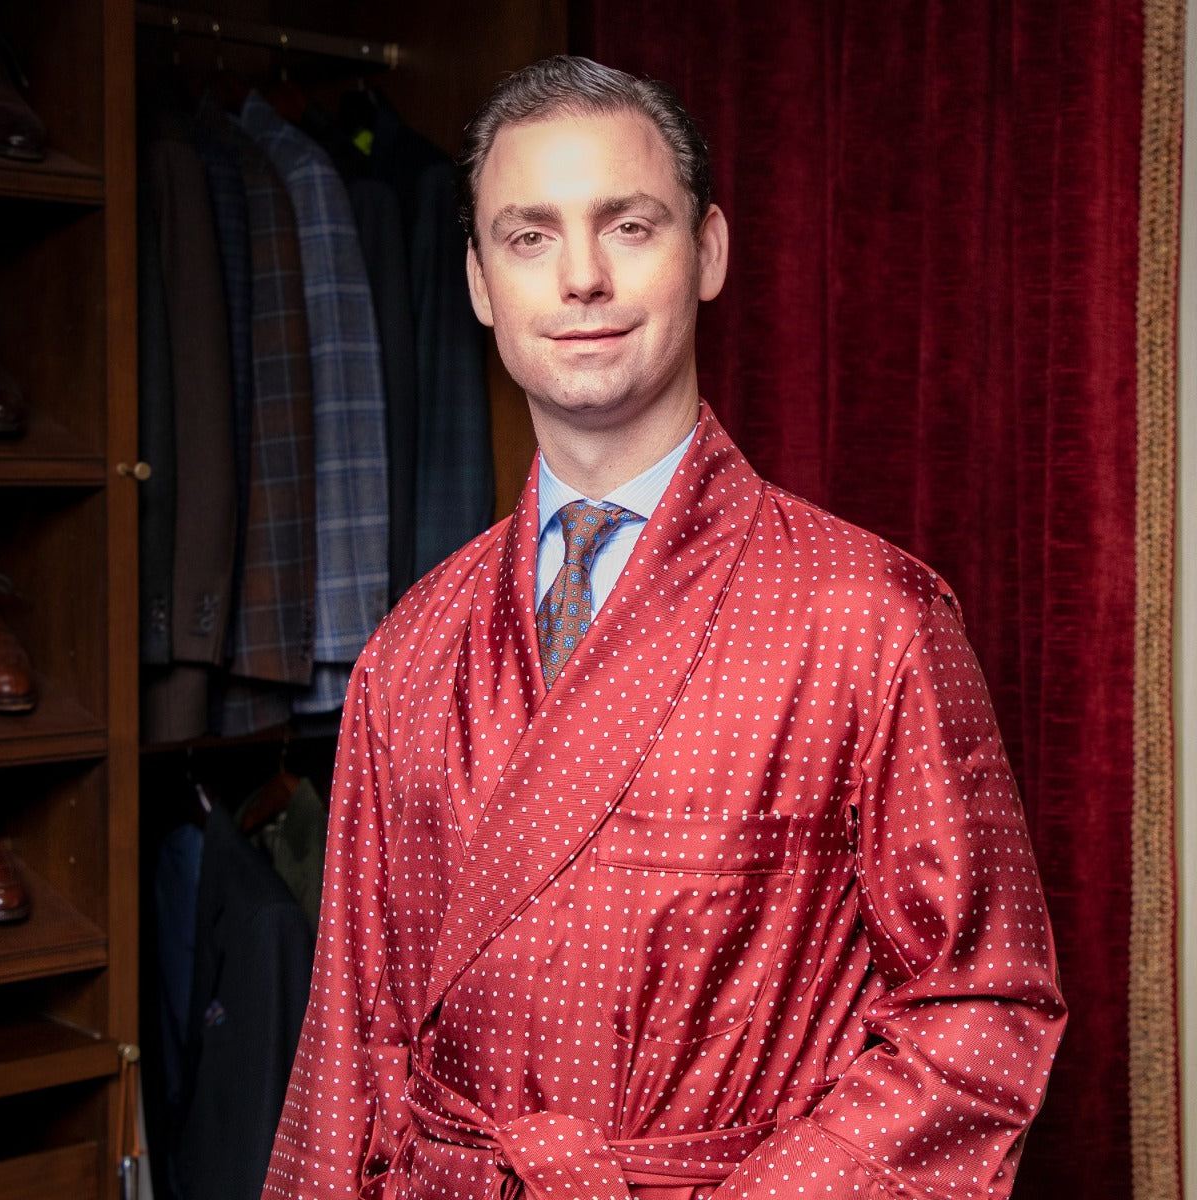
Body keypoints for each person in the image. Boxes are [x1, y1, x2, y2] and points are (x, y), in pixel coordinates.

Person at [261, 55, 1065, 1200]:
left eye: (628, 225)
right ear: (482, 283)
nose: (581, 277)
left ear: (712, 251)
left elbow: (982, 1011)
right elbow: (350, 1039)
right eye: (530, 237)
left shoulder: (870, 617)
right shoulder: (413, 647)